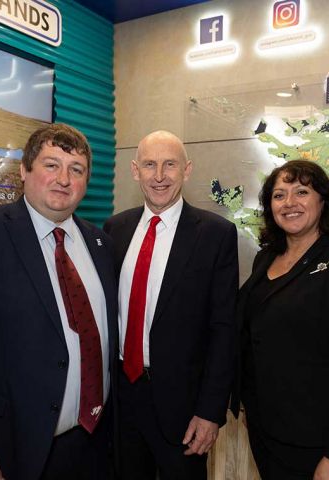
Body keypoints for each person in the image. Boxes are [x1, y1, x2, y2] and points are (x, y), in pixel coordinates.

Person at [0, 123, 117, 480]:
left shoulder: (101, 244)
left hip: (94, 443)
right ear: (24, 170)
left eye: (77, 170)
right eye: (51, 165)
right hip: (11, 449)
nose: (64, 179)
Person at [230, 160, 329, 480]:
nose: (289, 203)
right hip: (266, 430)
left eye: (301, 192)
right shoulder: (266, 258)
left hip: (318, 442)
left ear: (324, 200)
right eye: (279, 195)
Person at [102, 130, 238, 479]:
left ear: (187, 170)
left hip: (184, 408)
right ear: (135, 171)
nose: (159, 175)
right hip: (121, 397)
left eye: (169, 165)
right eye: (149, 164)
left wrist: (210, 411)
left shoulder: (216, 234)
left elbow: (224, 329)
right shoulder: (114, 229)